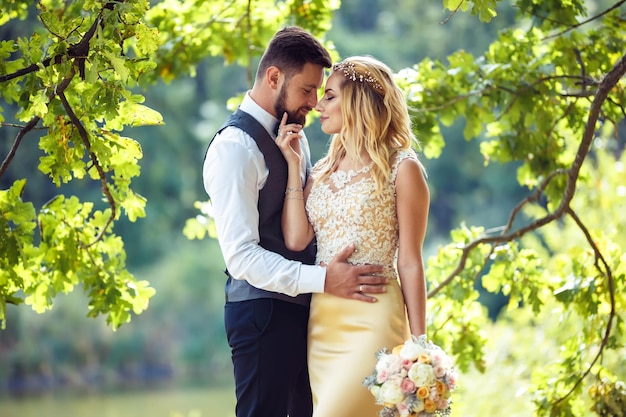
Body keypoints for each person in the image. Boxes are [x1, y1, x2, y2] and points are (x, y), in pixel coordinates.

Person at [202, 29, 390, 417]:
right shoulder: (234, 149)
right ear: (274, 78)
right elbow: (241, 258)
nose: (314, 103)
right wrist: (324, 279)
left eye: (319, 92)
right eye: (307, 90)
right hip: (260, 316)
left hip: (312, 314)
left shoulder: (297, 139)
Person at [276, 55, 430, 417]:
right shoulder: (321, 170)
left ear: (358, 101)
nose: (318, 105)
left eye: (329, 96)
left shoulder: (402, 168)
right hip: (324, 322)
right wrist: (292, 166)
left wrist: (421, 345)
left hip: (374, 316)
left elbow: (410, 260)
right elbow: (297, 240)